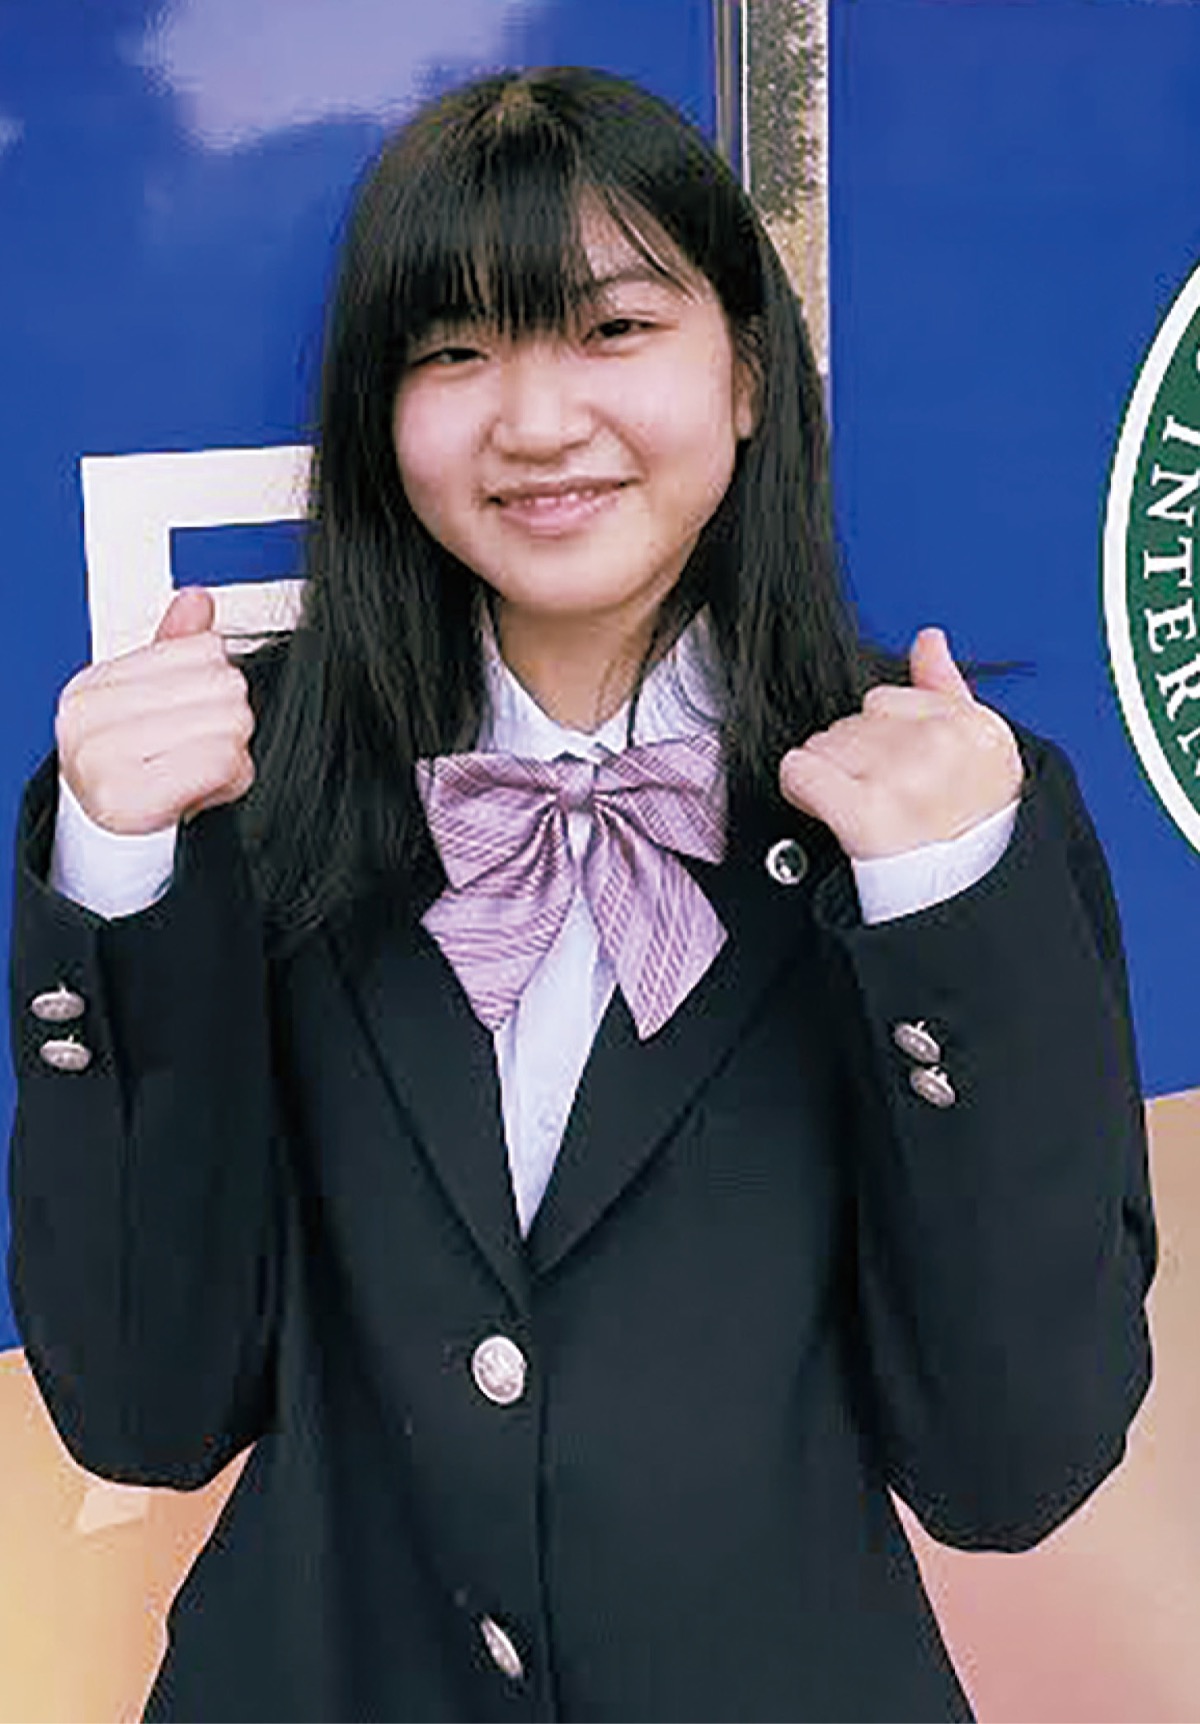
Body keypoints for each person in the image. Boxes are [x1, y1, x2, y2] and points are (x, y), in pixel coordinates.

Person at [7, 66, 1154, 1724]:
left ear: (747, 372)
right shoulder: (238, 792)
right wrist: (115, 879)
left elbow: (1012, 1466)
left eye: (614, 329)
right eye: (454, 352)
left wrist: (944, 907)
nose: (537, 422)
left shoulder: (950, 812)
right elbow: (144, 1414)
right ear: (380, 409)